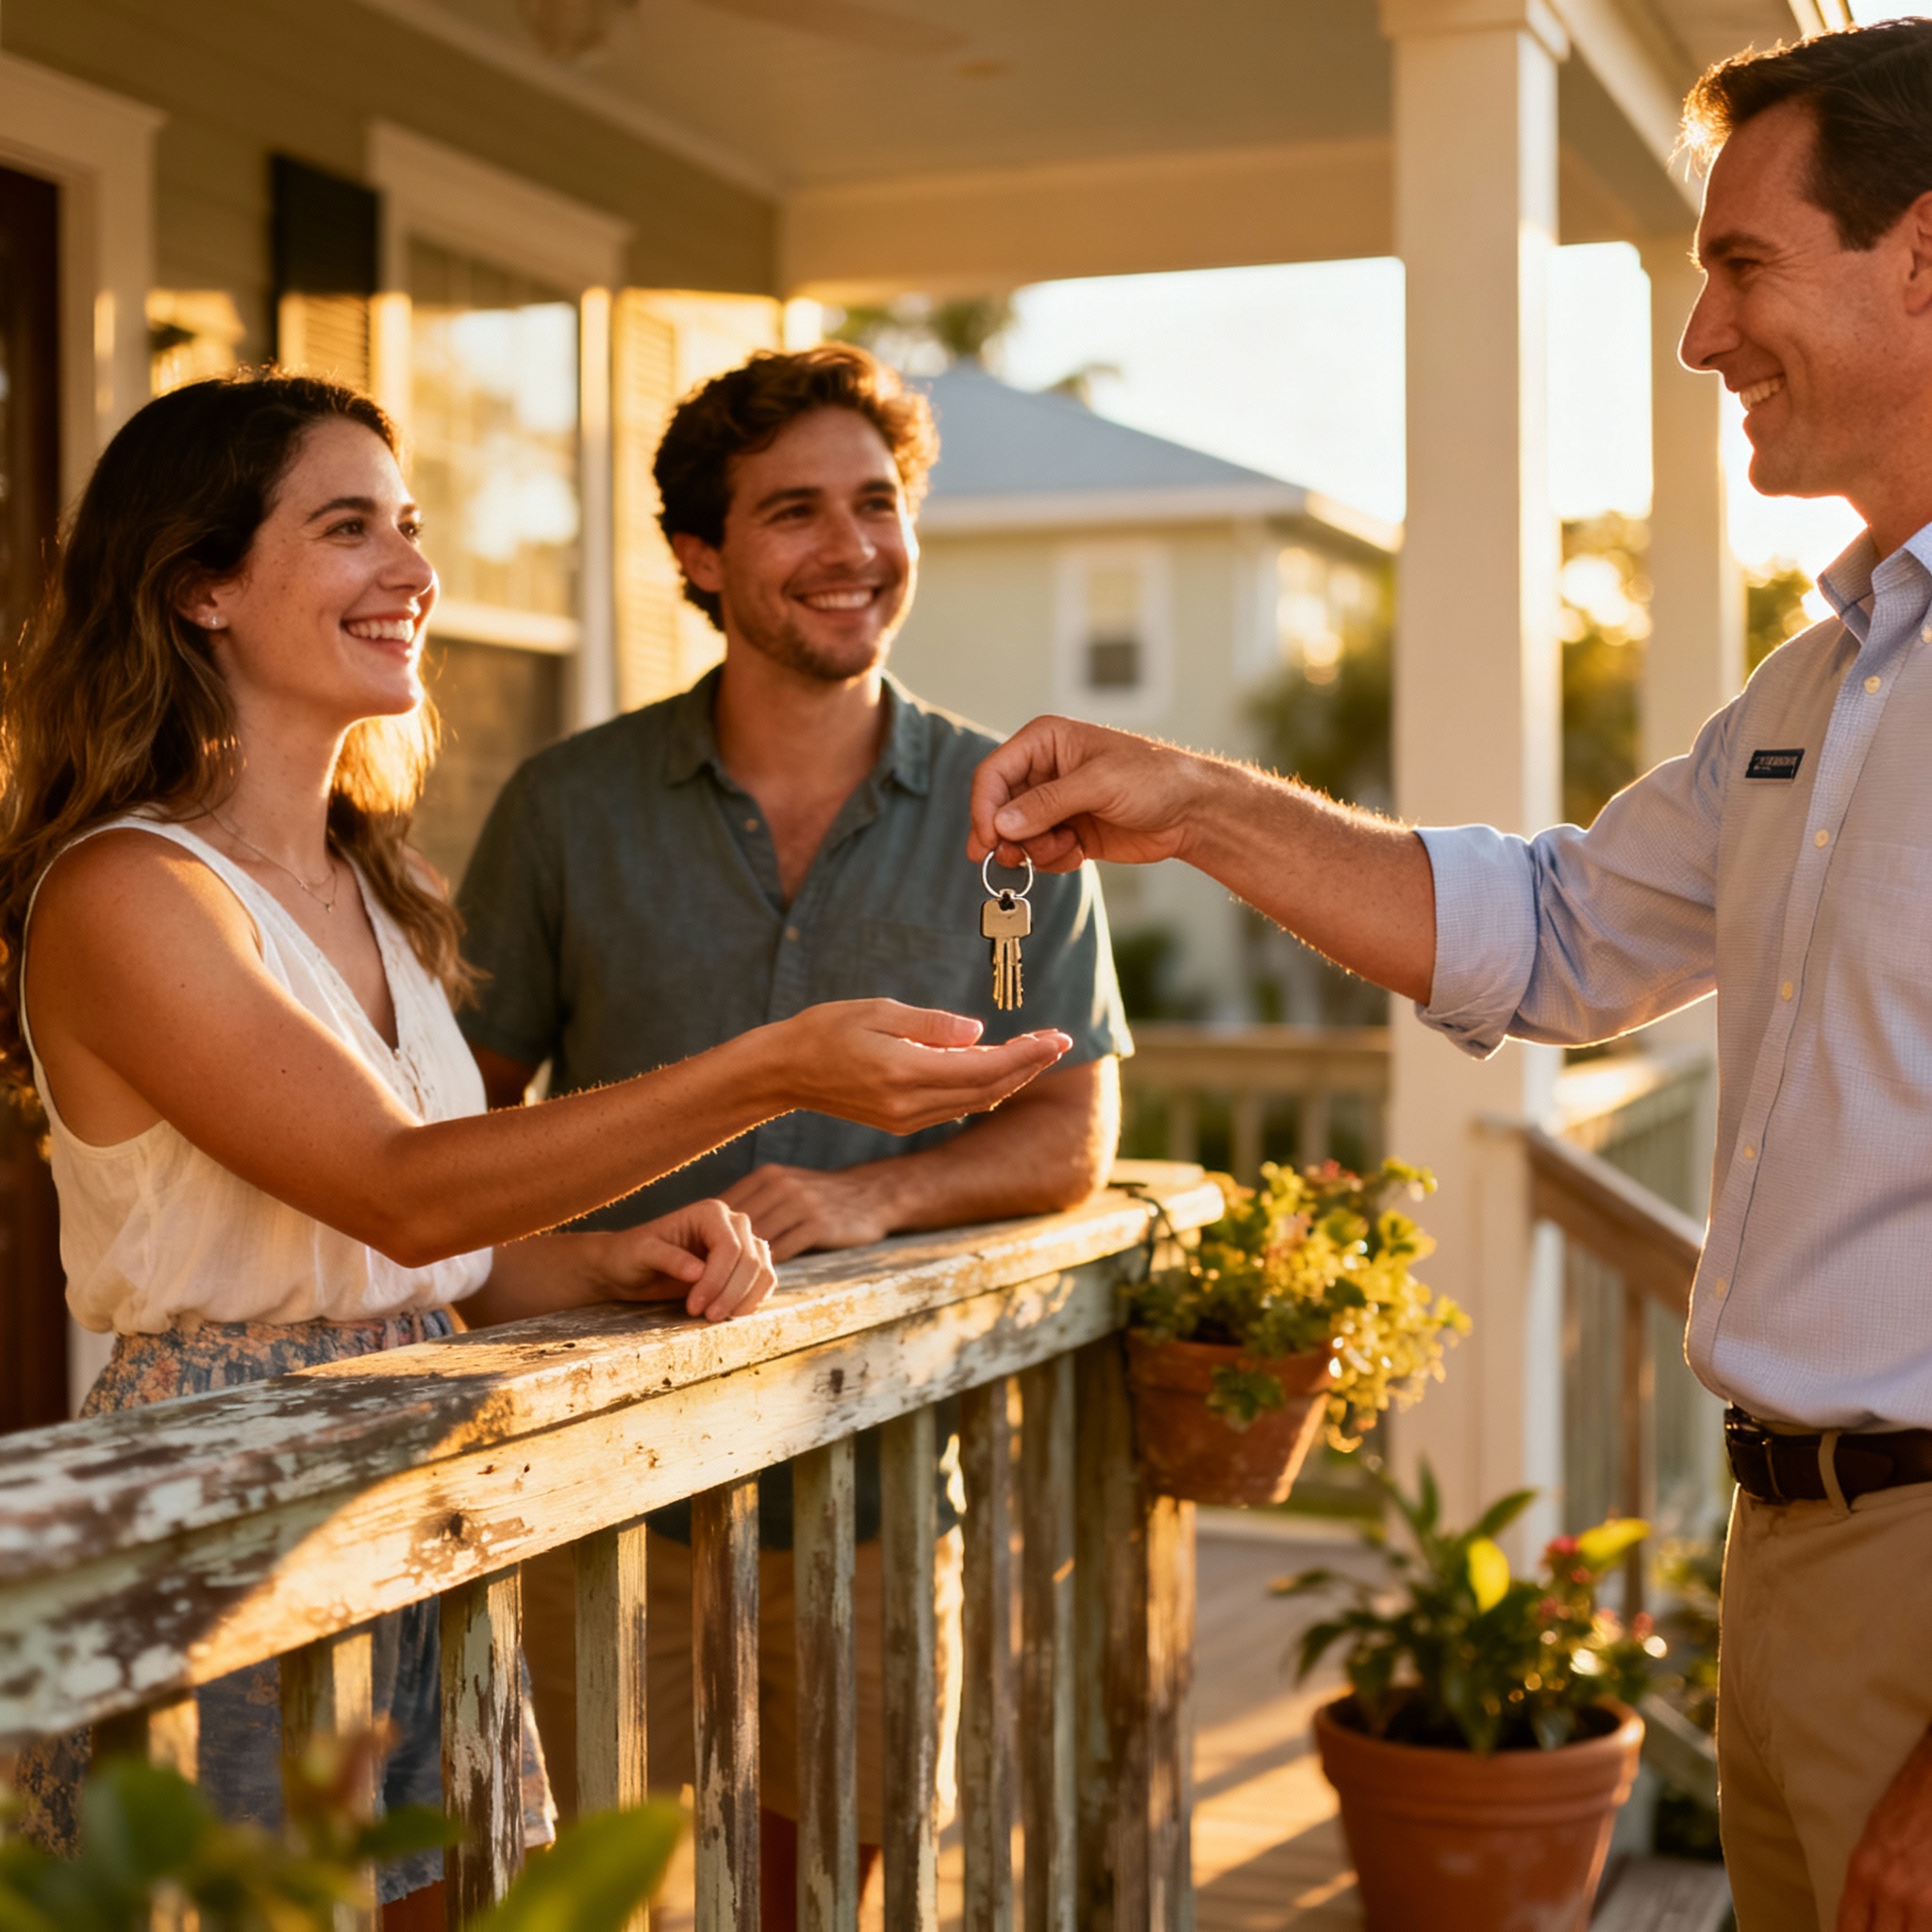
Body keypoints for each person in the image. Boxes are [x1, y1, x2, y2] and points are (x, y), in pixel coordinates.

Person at [971, 23, 1932, 1932]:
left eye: (1741, 266)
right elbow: (1560, 931)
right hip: (1786, 1563)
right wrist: (1192, 803)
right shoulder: (1822, 692)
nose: (1698, 338)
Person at [1, 370, 1068, 1931]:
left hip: (420, 1506)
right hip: (228, 1506)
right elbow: (397, 1184)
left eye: (413, 527)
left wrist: (610, 1259)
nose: (415, 572)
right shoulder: (128, 898)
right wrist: (774, 1069)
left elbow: (416, 1255)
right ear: (202, 588)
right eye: (350, 527)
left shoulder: (370, 884)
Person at [456, 342, 1129, 1926]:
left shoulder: (1008, 833)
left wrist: (875, 1198)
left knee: (815, 1887)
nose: (853, 550)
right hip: (607, 1482)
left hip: (877, 1483)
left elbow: (1069, 1125)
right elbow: (455, 1140)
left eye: (878, 503)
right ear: (701, 555)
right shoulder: (567, 811)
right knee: (579, 1886)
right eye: (794, 513)